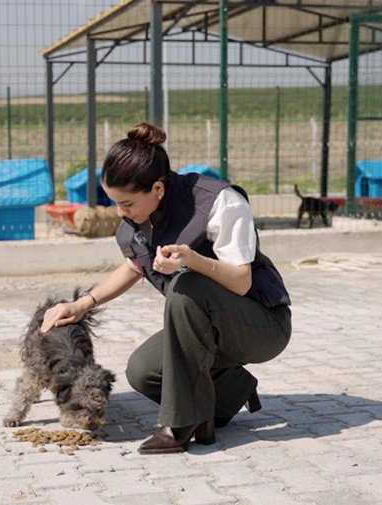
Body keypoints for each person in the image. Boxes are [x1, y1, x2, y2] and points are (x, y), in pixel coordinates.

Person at [40, 122, 291, 454]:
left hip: (260, 325)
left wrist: (193, 261)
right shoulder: (136, 223)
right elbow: (135, 266)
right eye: (115, 202)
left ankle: (180, 423)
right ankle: (232, 390)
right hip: (209, 330)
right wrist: (82, 304)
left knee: (186, 286)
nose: (120, 212)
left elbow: (242, 281)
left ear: (157, 189)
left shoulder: (220, 202)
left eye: (127, 203)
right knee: (144, 371)